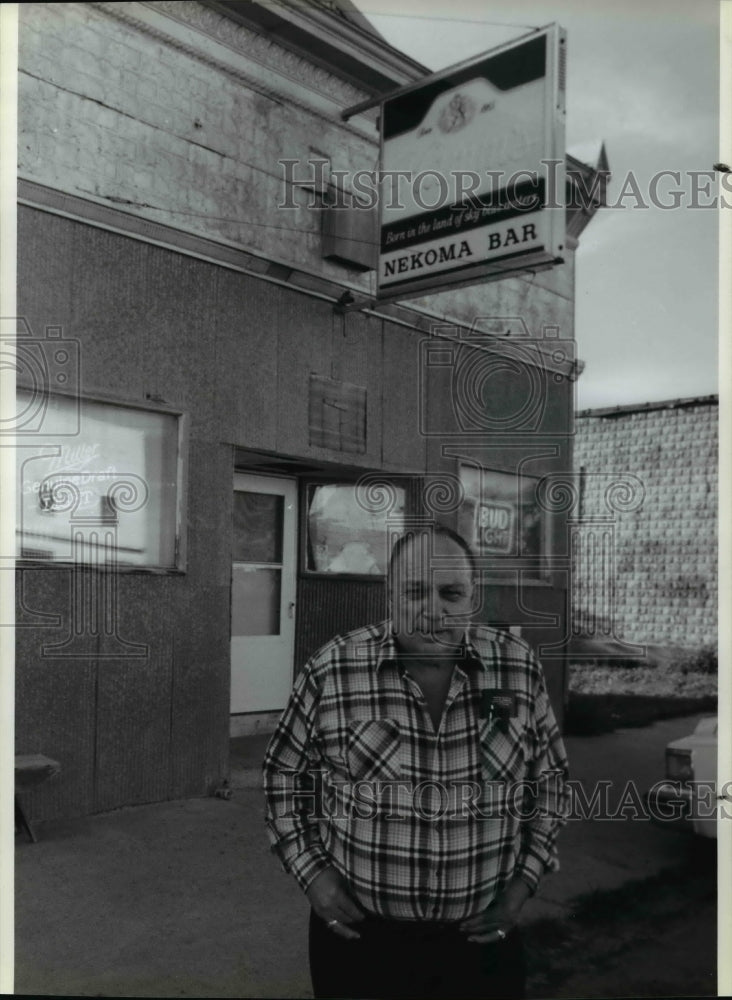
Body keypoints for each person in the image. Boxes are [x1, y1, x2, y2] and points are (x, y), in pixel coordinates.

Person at [263, 523, 569, 1000]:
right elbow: (283, 776)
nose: (432, 611)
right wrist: (312, 874)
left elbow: (548, 780)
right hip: (361, 945)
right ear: (390, 595)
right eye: (415, 592)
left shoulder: (517, 667)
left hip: (482, 945)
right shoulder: (334, 670)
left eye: (450, 593)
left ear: (473, 597)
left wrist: (523, 885)